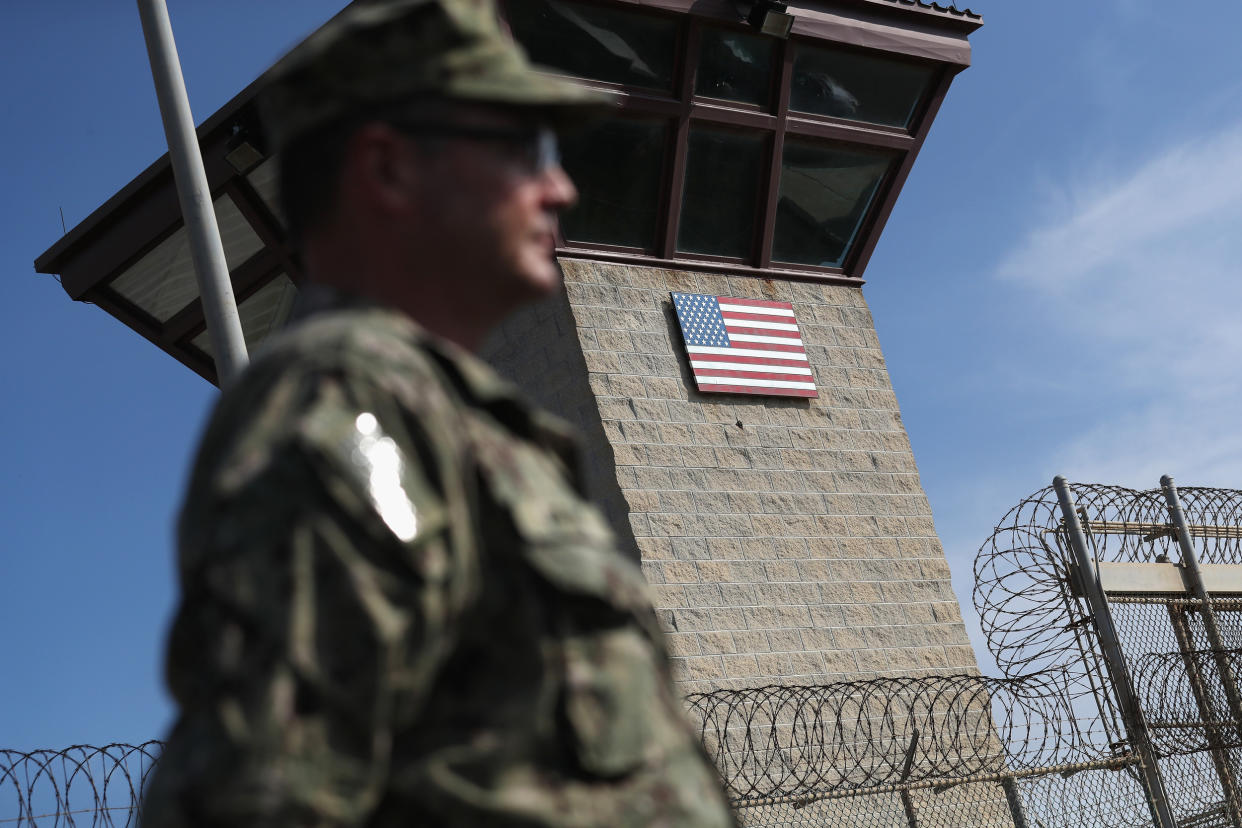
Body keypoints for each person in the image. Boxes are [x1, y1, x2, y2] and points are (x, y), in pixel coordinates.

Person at [139, 0, 736, 826]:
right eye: (522, 148)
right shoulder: (344, 407)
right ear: (388, 170)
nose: (559, 186)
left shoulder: (463, 423)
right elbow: (263, 797)